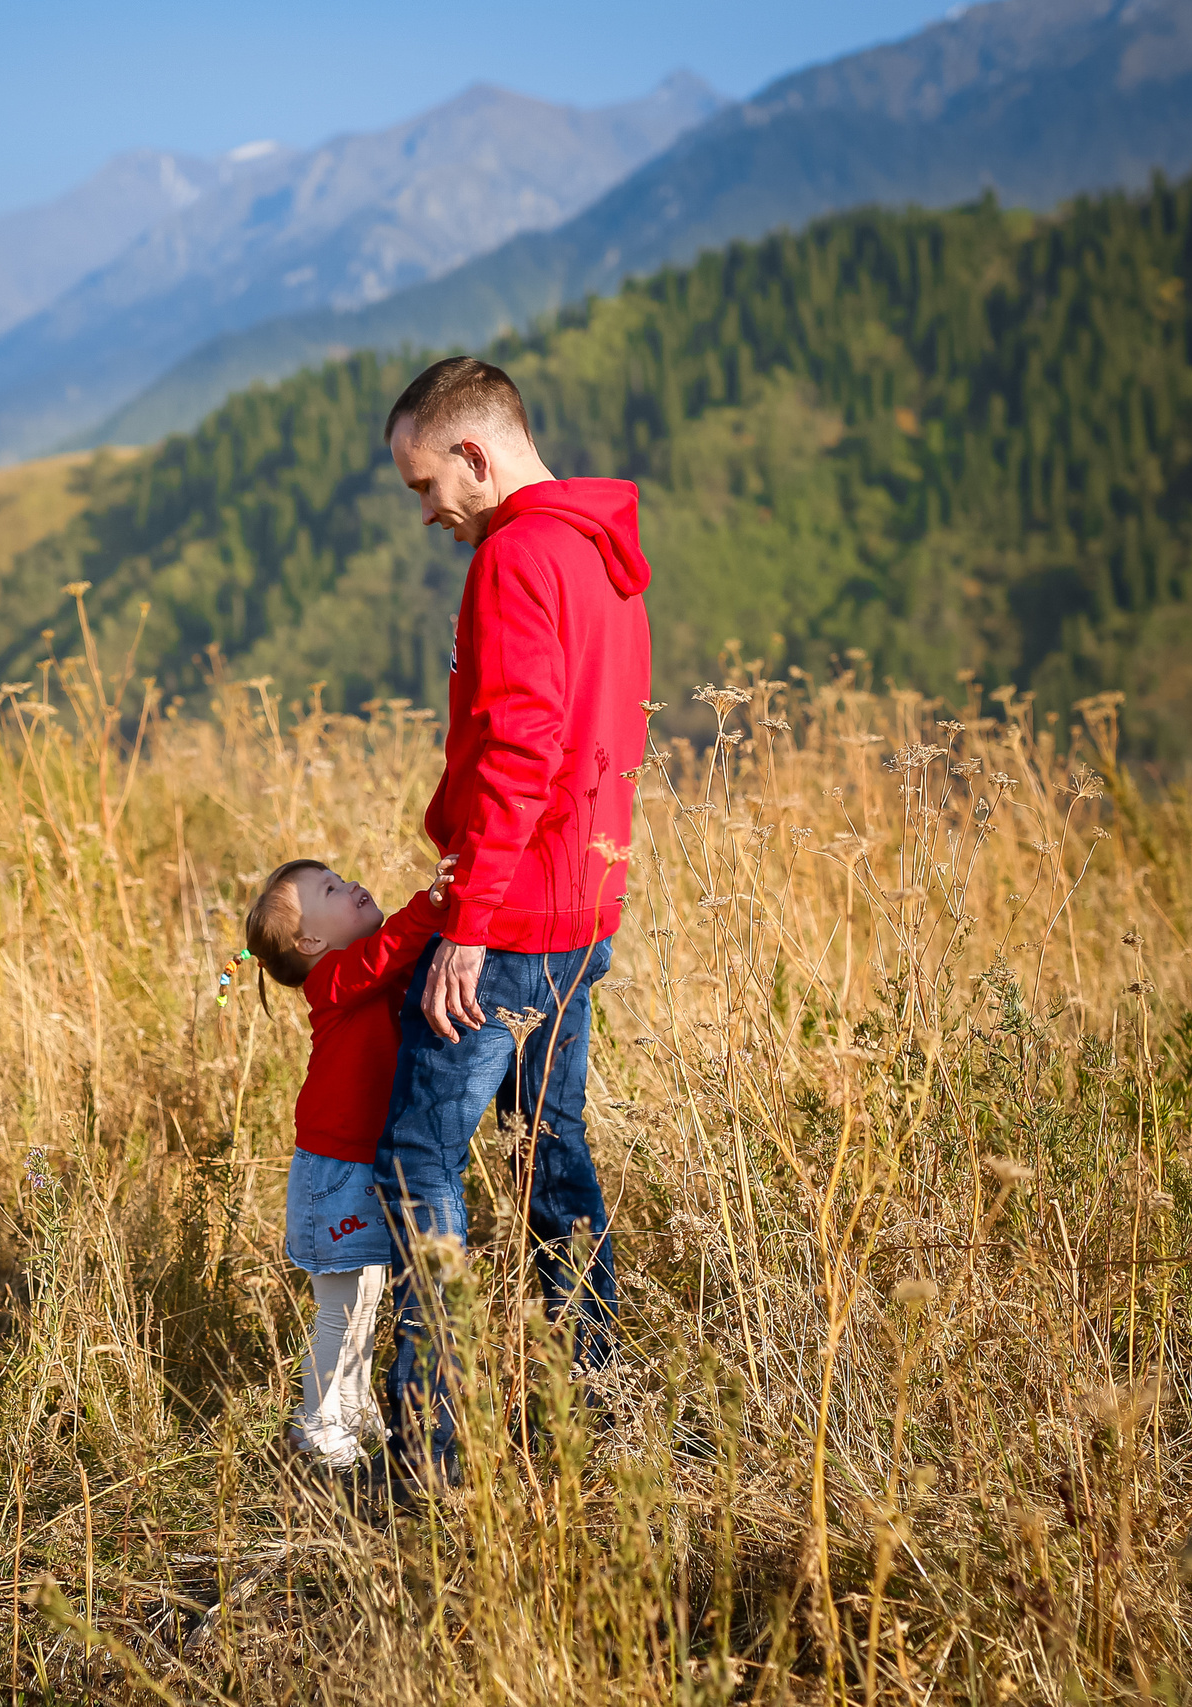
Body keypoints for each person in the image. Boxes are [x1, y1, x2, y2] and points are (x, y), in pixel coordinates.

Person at [374, 355, 652, 1488]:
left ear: (476, 457)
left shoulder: (516, 557)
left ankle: (431, 1457)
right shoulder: (600, 553)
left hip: (517, 916)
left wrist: (470, 920)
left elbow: (524, 748)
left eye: (424, 483)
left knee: (415, 1160)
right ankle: (595, 1396)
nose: (428, 511)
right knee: (550, 1151)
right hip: (584, 906)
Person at [239, 854, 453, 1471]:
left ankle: (353, 1410)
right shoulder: (331, 978)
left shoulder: (359, 972)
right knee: (343, 1305)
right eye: (330, 889)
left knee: (368, 1295)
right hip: (336, 1169)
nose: (351, 884)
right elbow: (387, 952)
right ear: (310, 940)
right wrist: (432, 904)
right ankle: (317, 1426)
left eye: (341, 877)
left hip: (362, 1160)